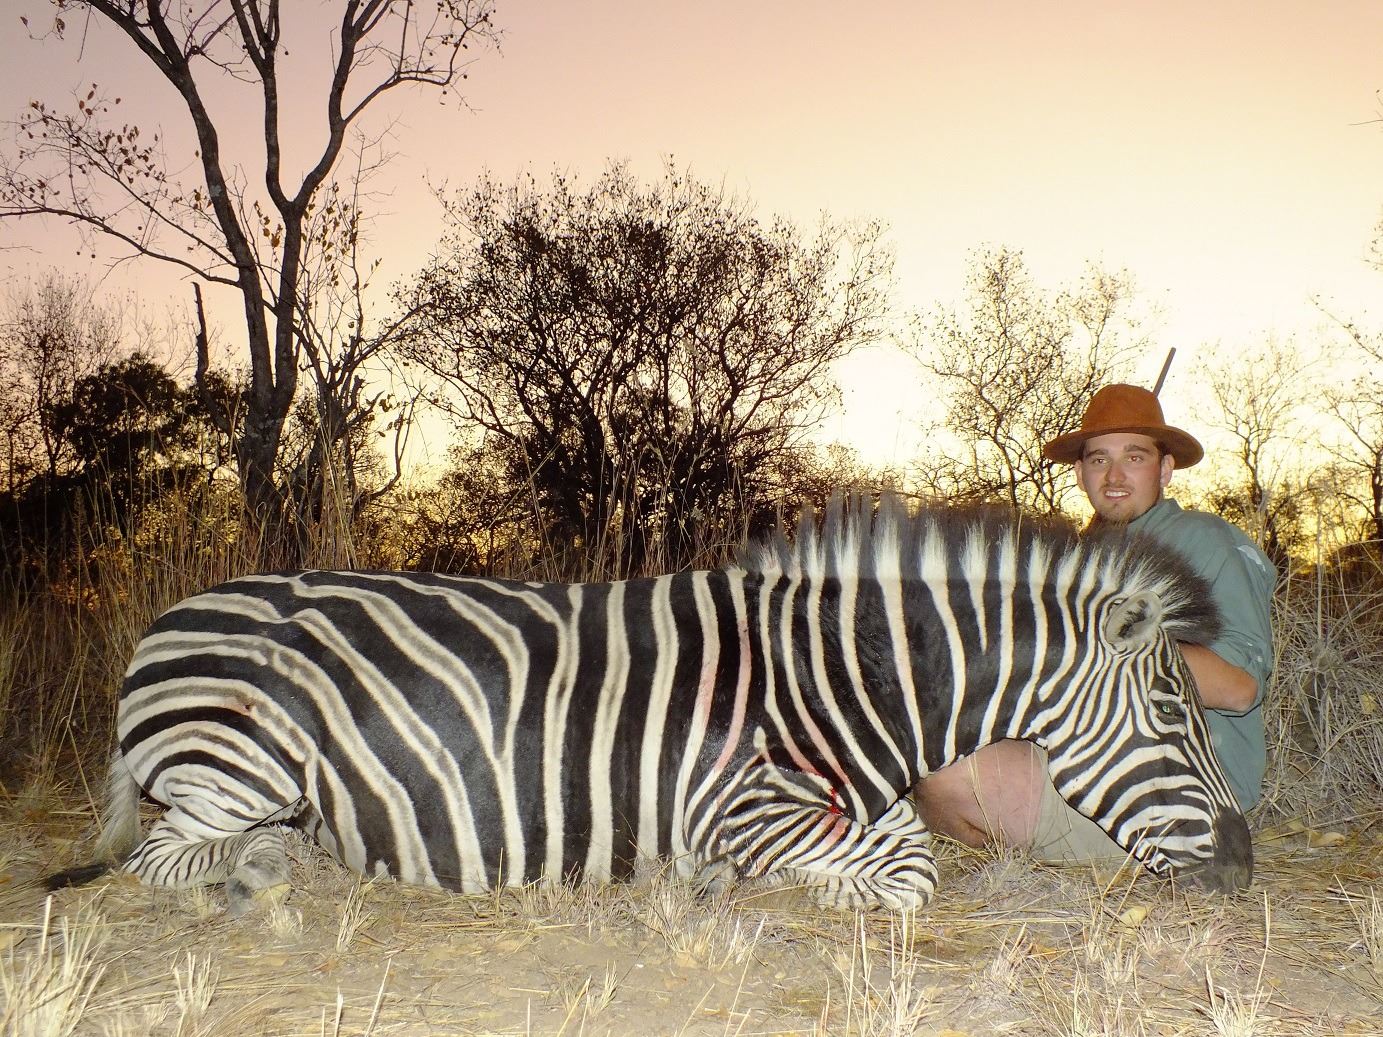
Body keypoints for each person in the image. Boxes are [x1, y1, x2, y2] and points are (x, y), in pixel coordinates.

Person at [914, 383, 1276, 861]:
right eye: (1099, 459)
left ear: (1165, 469)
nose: (1115, 475)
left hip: (1173, 788)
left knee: (949, 780)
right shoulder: (1076, 557)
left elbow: (1240, 688)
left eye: (1135, 457)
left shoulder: (1205, 539)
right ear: (1080, 473)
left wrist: (1088, 643)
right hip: (1076, 757)